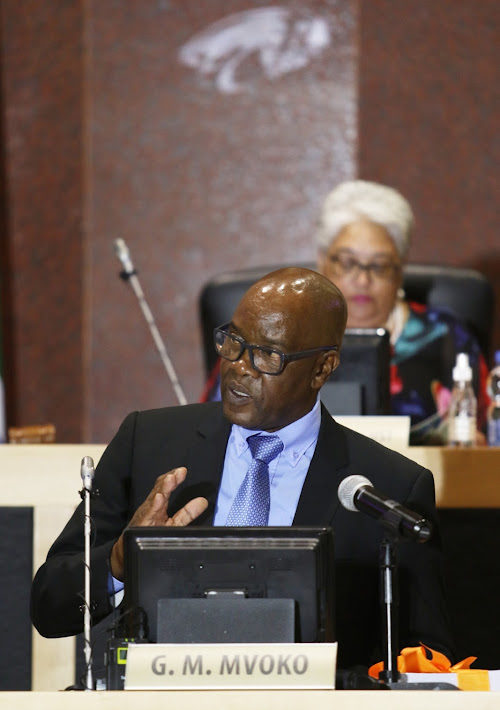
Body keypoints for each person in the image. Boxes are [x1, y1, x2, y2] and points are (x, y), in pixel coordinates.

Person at [31, 267, 454, 670]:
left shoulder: (389, 487)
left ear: (323, 368)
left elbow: (428, 656)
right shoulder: (149, 442)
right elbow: (49, 605)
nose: (238, 366)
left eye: (267, 354)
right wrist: (119, 562)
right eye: (233, 341)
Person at [316, 180, 489, 445]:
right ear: (322, 262)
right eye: (348, 263)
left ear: (400, 272)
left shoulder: (447, 337)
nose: (363, 280)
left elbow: (487, 434)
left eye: (380, 266)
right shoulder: (287, 334)